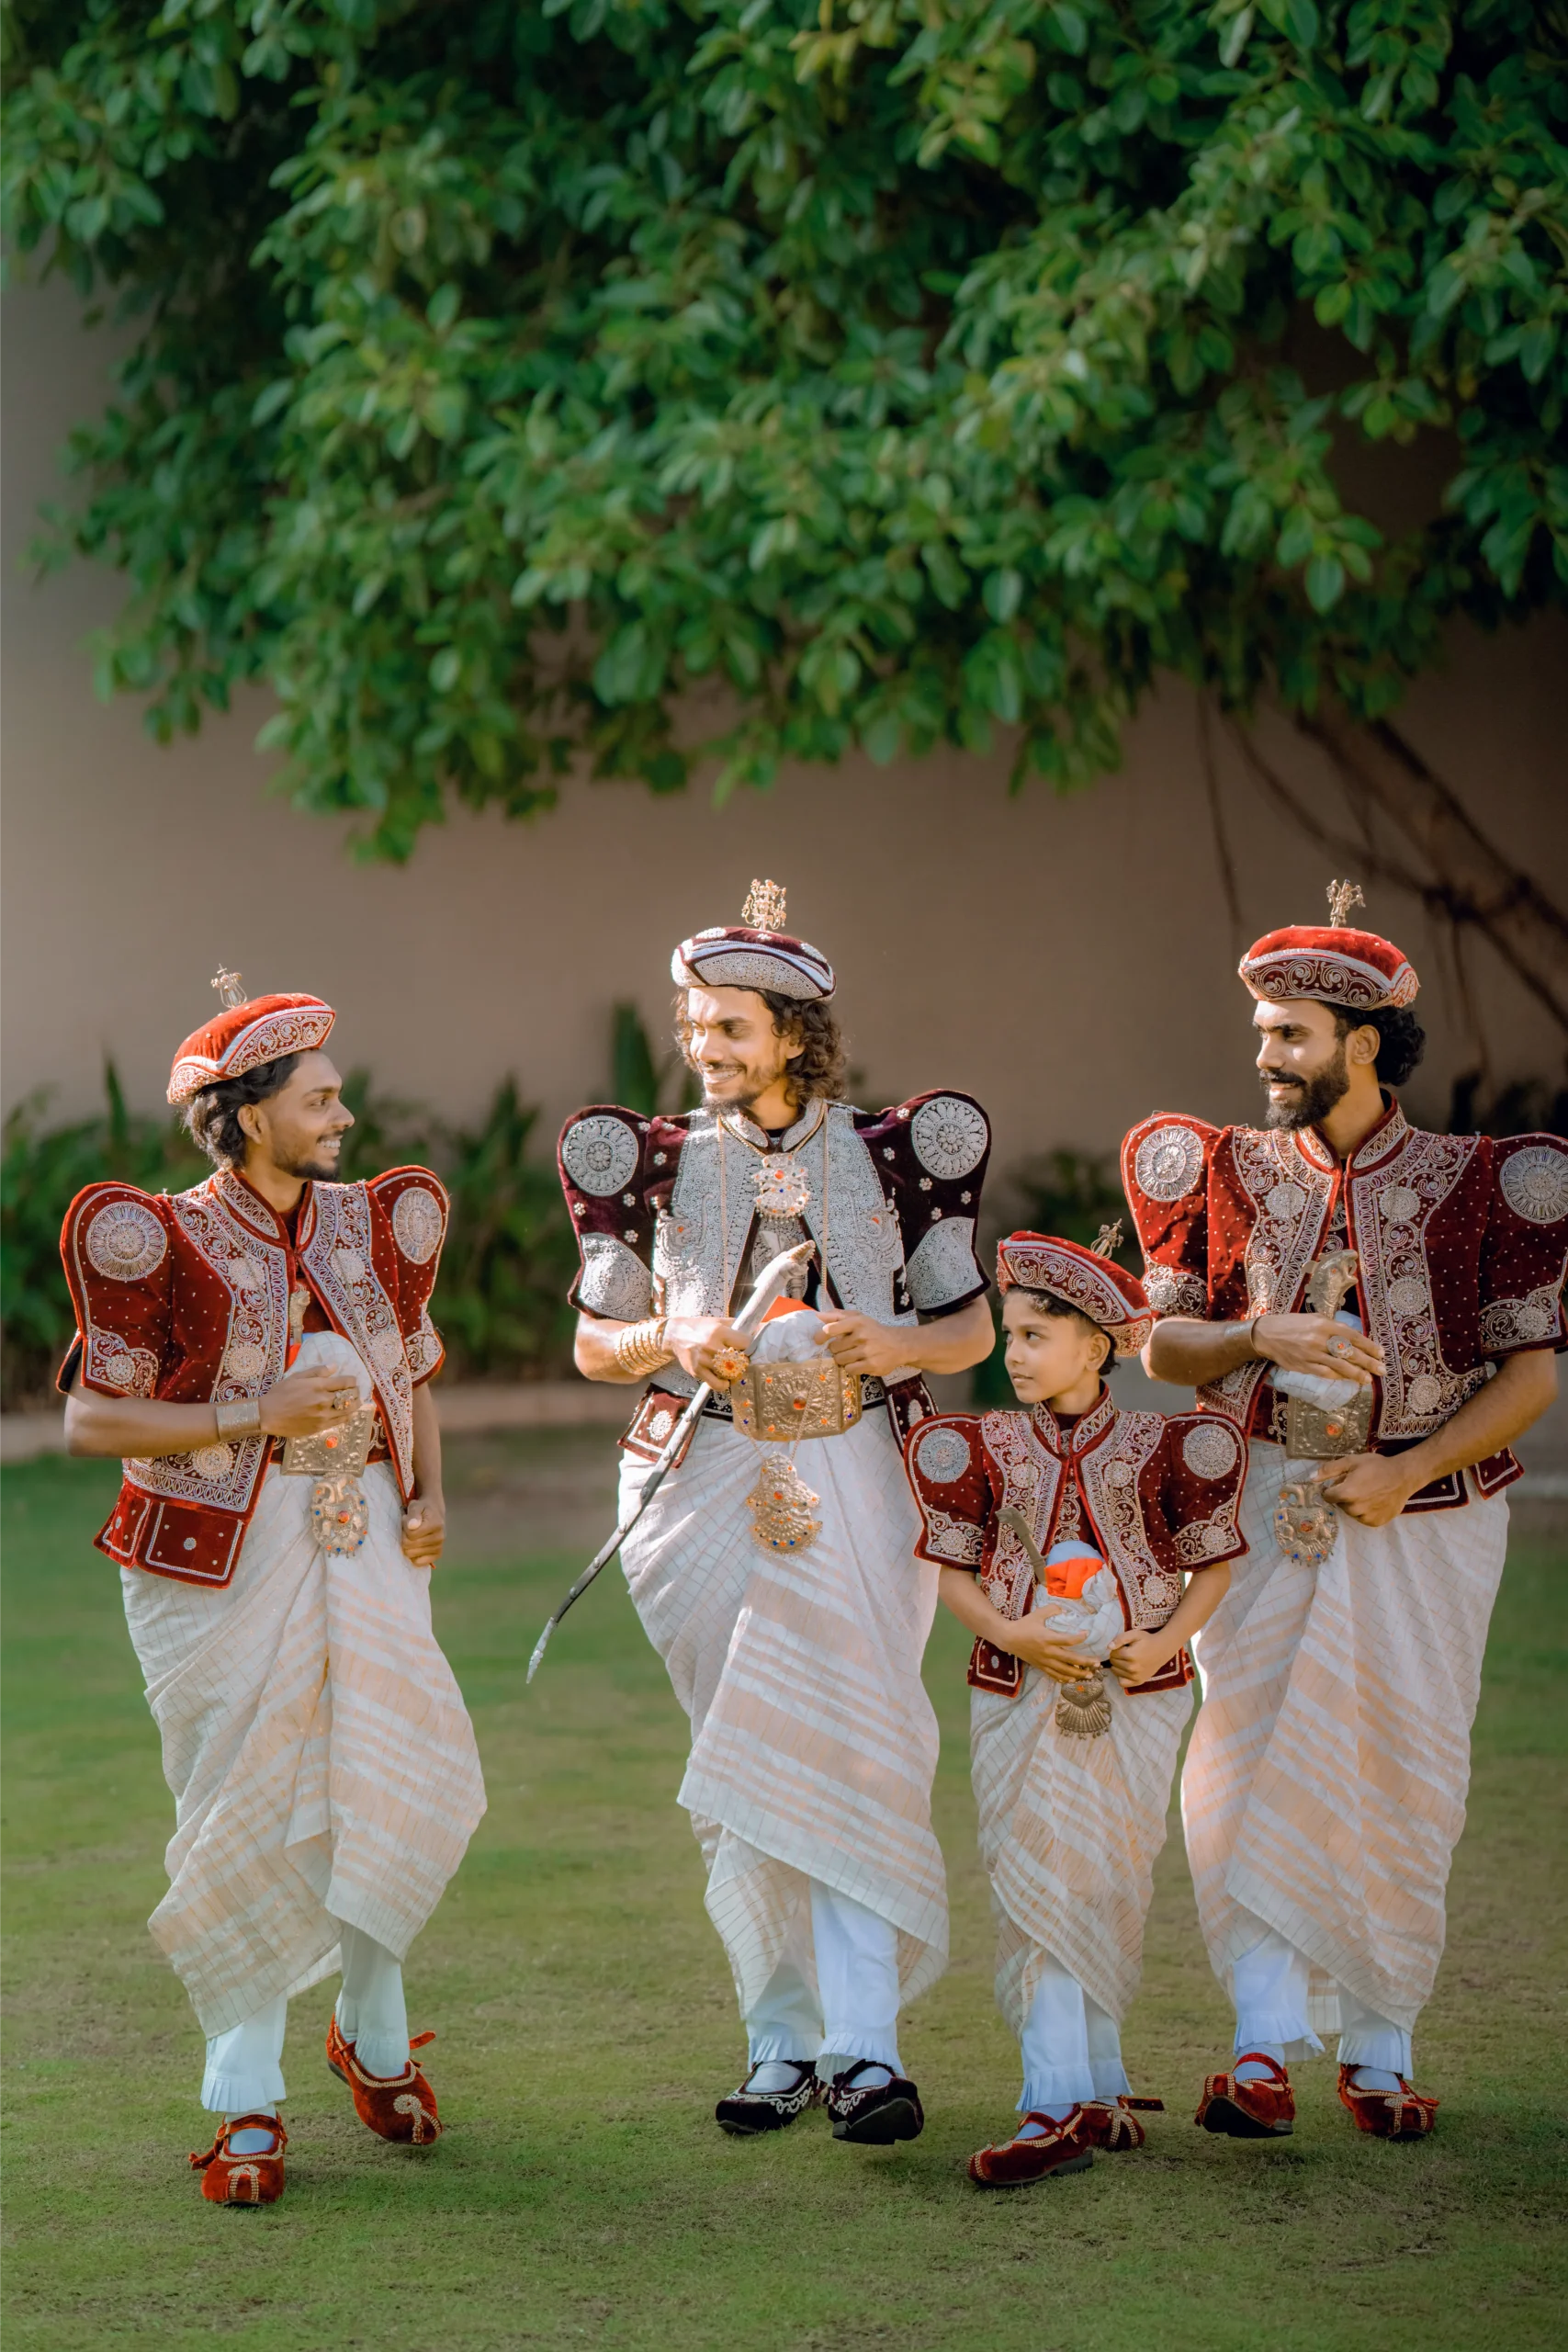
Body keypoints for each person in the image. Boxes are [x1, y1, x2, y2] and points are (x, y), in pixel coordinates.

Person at [1122, 884, 1567, 2142]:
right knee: (1245, 1756)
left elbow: (1528, 1381)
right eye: (1261, 1033)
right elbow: (1162, 1346)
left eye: (1289, 1035)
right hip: (1261, 1499)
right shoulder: (1216, 1169)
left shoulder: (1480, 1183)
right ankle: (1261, 2047)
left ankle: (1379, 2052)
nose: (1264, 1055)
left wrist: (1402, 1474)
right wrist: (1255, 1334)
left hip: (1424, 1519)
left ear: (1360, 1044)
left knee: (1403, 1763)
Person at [558, 882, 995, 2144]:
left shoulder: (899, 1152)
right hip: (698, 1482)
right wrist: (671, 1335)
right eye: (694, 1023)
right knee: (740, 1763)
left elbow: (967, 1331)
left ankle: (867, 2051)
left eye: (730, 1026)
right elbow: (594, 1348)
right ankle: (778, 2044)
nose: (703, 1045)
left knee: (857, 1743)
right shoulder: (645, 1159)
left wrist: (895, 1343)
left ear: (797, 1036)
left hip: (860, 1474)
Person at [61, 975, 486, 2205]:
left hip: (370, 1544)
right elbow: (92, 1420)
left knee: (380, 1778)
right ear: (251, 1116)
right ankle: (245, 2095)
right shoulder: (160, 1237)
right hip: (214, 1562)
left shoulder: (378, 1222)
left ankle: (374, 2033)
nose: (343, 1115)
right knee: (236, 1810)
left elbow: (412, 1374)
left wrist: (430, 1492)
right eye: (320, 1099)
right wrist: (255, 1410)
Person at [905, 1230, 1246, 2186]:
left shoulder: (1162, 1446)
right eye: (1010, 1334)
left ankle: (1093, 2086)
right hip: (1016, 1689)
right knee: (1036, 1877)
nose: (1013, 1354)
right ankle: (1055, 2100)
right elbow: (951, 1571)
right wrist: (1011, 1634)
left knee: (1106, 1876)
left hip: (1138, 1696)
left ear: (1095, 1348)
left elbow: (1213, 1564)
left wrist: (1165, 1642)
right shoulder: (980, 1445)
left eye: (1033, 1336)